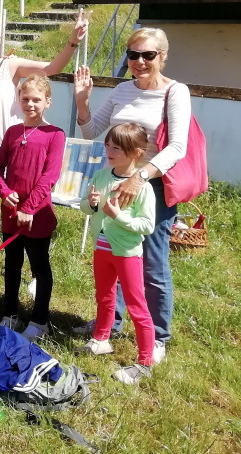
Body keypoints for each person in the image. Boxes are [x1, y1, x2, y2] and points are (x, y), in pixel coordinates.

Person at [72, 27, 190, 364]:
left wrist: (140, 177)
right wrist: (82, 103)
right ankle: (113, 323)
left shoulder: (175, 92)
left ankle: (158, 336)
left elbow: (178, 146)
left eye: (148, 55)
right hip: (118, 180)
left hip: (152, 185)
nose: (139, 61)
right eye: (133, 55)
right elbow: (94, 131)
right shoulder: (123, 90)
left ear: (162, 57)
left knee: (151, 263)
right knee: (118, 254)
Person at [0, 12, 89, 263]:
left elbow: (51, 69)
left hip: (10, 148)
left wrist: (73, 41)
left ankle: (32, 262)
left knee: (17, 205)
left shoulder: (9, 66)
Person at [78, 123, 156, 385]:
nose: (109, 150)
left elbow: (147, 226)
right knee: (104, 296)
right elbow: (87, 209)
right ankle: (101, 339)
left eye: (116, 148)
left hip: (127, 253)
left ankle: (145, 361)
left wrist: (118, 216)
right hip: (101, 249)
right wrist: (90, 204)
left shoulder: (142, 188)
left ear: (135, 153)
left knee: (136, 305)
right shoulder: (101, 176)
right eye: (108, 145)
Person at [0, 74, 65, 340]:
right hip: (12, 211)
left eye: (36, 100)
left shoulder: (54, 134)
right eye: (25, 99)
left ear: (48, 102)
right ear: (18, 100)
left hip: (37, 214)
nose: (30, 104)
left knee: (39, 265)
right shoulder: (12, 132)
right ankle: (10, 312)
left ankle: (39, 320)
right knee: (12, 263)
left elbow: (50, 175)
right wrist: (5, 191)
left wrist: (29, 208)